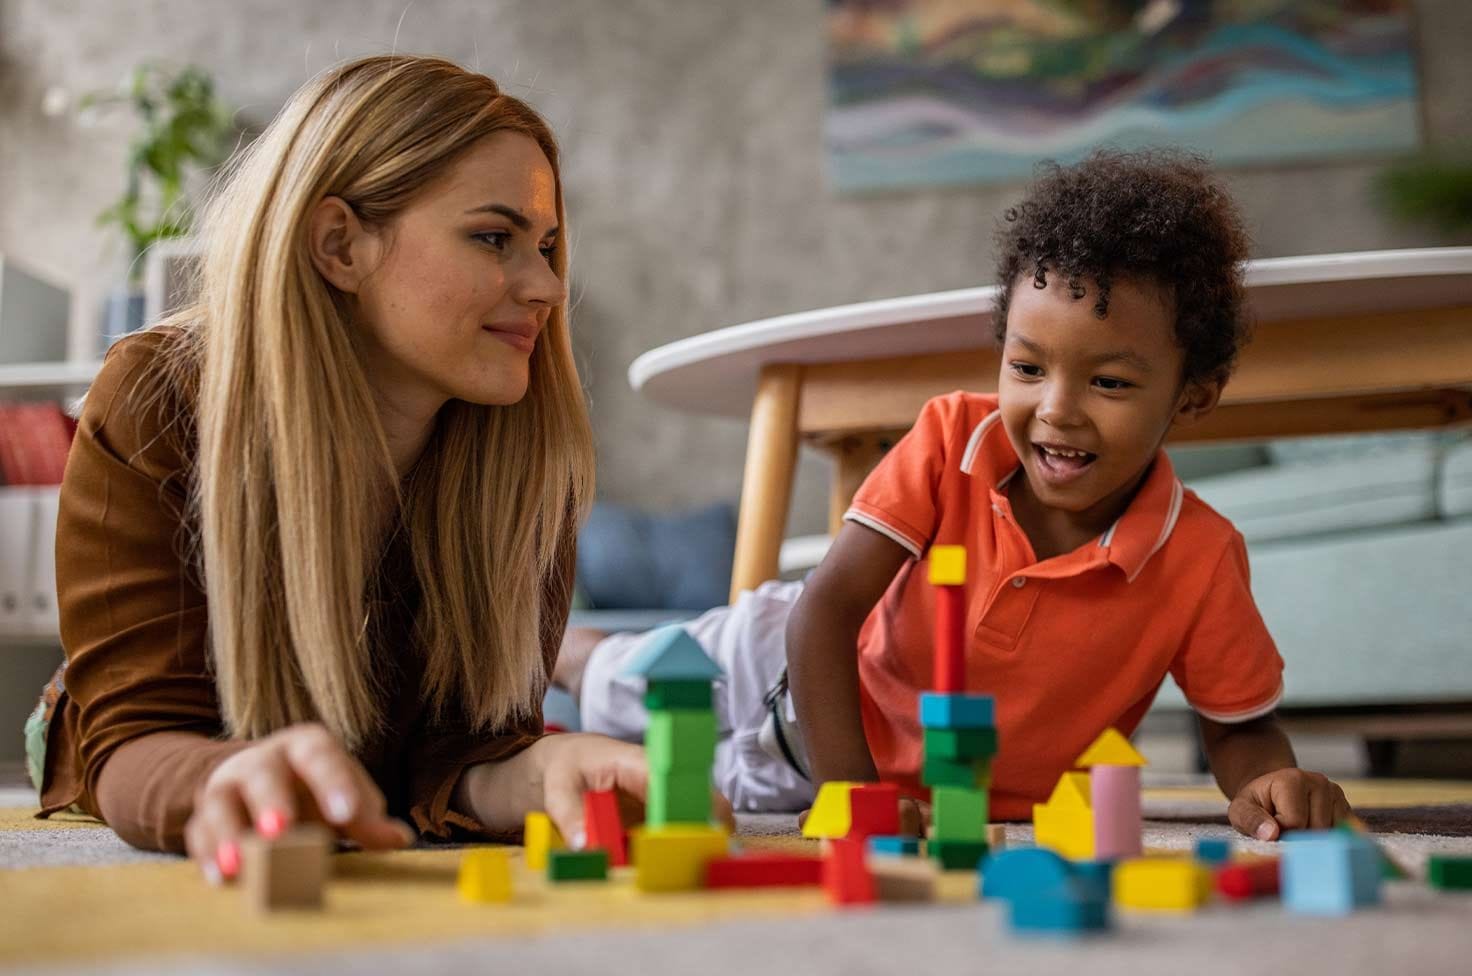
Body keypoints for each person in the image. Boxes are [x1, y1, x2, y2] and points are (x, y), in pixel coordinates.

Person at [558, 149, 1352, 841]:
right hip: (789, 665)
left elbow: (1241, 729)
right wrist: (852, 792)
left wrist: (1266, 788)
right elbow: (826, 611)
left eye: (1109, 381)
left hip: (838, 777)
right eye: (1028, 367)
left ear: (1192, 398)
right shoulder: (949, 440)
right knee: (630, 683)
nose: (1056, 409)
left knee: (658, 776)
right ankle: (549, 648)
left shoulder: (1202, 558)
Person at [30, 55, 676, 884]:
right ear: (339, 244)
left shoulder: (526, 461)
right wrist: (219, 778)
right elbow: (137, 739)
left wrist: (538, 771)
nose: (548, 285)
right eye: (494, 237)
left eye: (548, 246)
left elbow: (465, 753)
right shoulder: (160, 396)